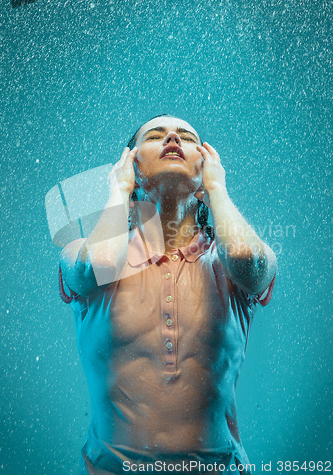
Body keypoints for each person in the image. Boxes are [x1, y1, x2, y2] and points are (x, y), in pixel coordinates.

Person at [59, 115, 277, 475]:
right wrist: (119, 190)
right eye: (156, 136)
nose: (173, 137)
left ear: (205, 165)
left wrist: (217, 189)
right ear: (131, 163)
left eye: (187, 137)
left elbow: (245, 260)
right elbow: (99, 263)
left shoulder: (229, 262)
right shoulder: (81, 250)